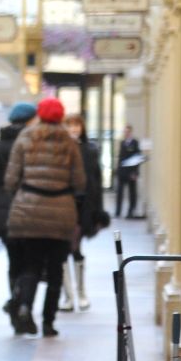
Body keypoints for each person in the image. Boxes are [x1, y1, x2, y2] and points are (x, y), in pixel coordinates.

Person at [3, 97, 86, 339]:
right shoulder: (69, 143)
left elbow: (10, 179)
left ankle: (25, 306)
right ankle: (49, 323)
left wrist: (22, 193)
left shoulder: (25, 137)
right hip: (61, 213)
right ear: (60, 116)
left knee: (30, 265)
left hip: (28, 211)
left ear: (39, 114)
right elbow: (80, 181)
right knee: (55, 271)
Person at [0, 101, 36, 319]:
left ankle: (15, 299)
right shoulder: (33, 143)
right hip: (31, 208)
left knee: (13, 260)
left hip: (3, 210)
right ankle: (22, 303)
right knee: (31, 259)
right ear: (30, 120)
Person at [60, 113, 107, 312]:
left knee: (76, 249)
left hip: (83, 207)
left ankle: (80, 293)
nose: (74, 129)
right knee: (63, 251)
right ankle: (69, 296)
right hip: (63, 206)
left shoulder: (90, 150)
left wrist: (98, 211)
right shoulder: (59, 150)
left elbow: (96, 182)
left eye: (77, 125)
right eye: (70, 125)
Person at [115, 124, 144, 219]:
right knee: (119, 192)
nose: (126, 133)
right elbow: (120, 158)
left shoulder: (135, 143)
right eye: (125, 132)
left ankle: (131, 211)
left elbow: (137, 158)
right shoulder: (122, 142)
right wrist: (117, 171)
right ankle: (118, 212)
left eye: (127, 132)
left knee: (132, 193)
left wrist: (135, 172)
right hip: (122, 172)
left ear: (131, 132)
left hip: (131, 172)